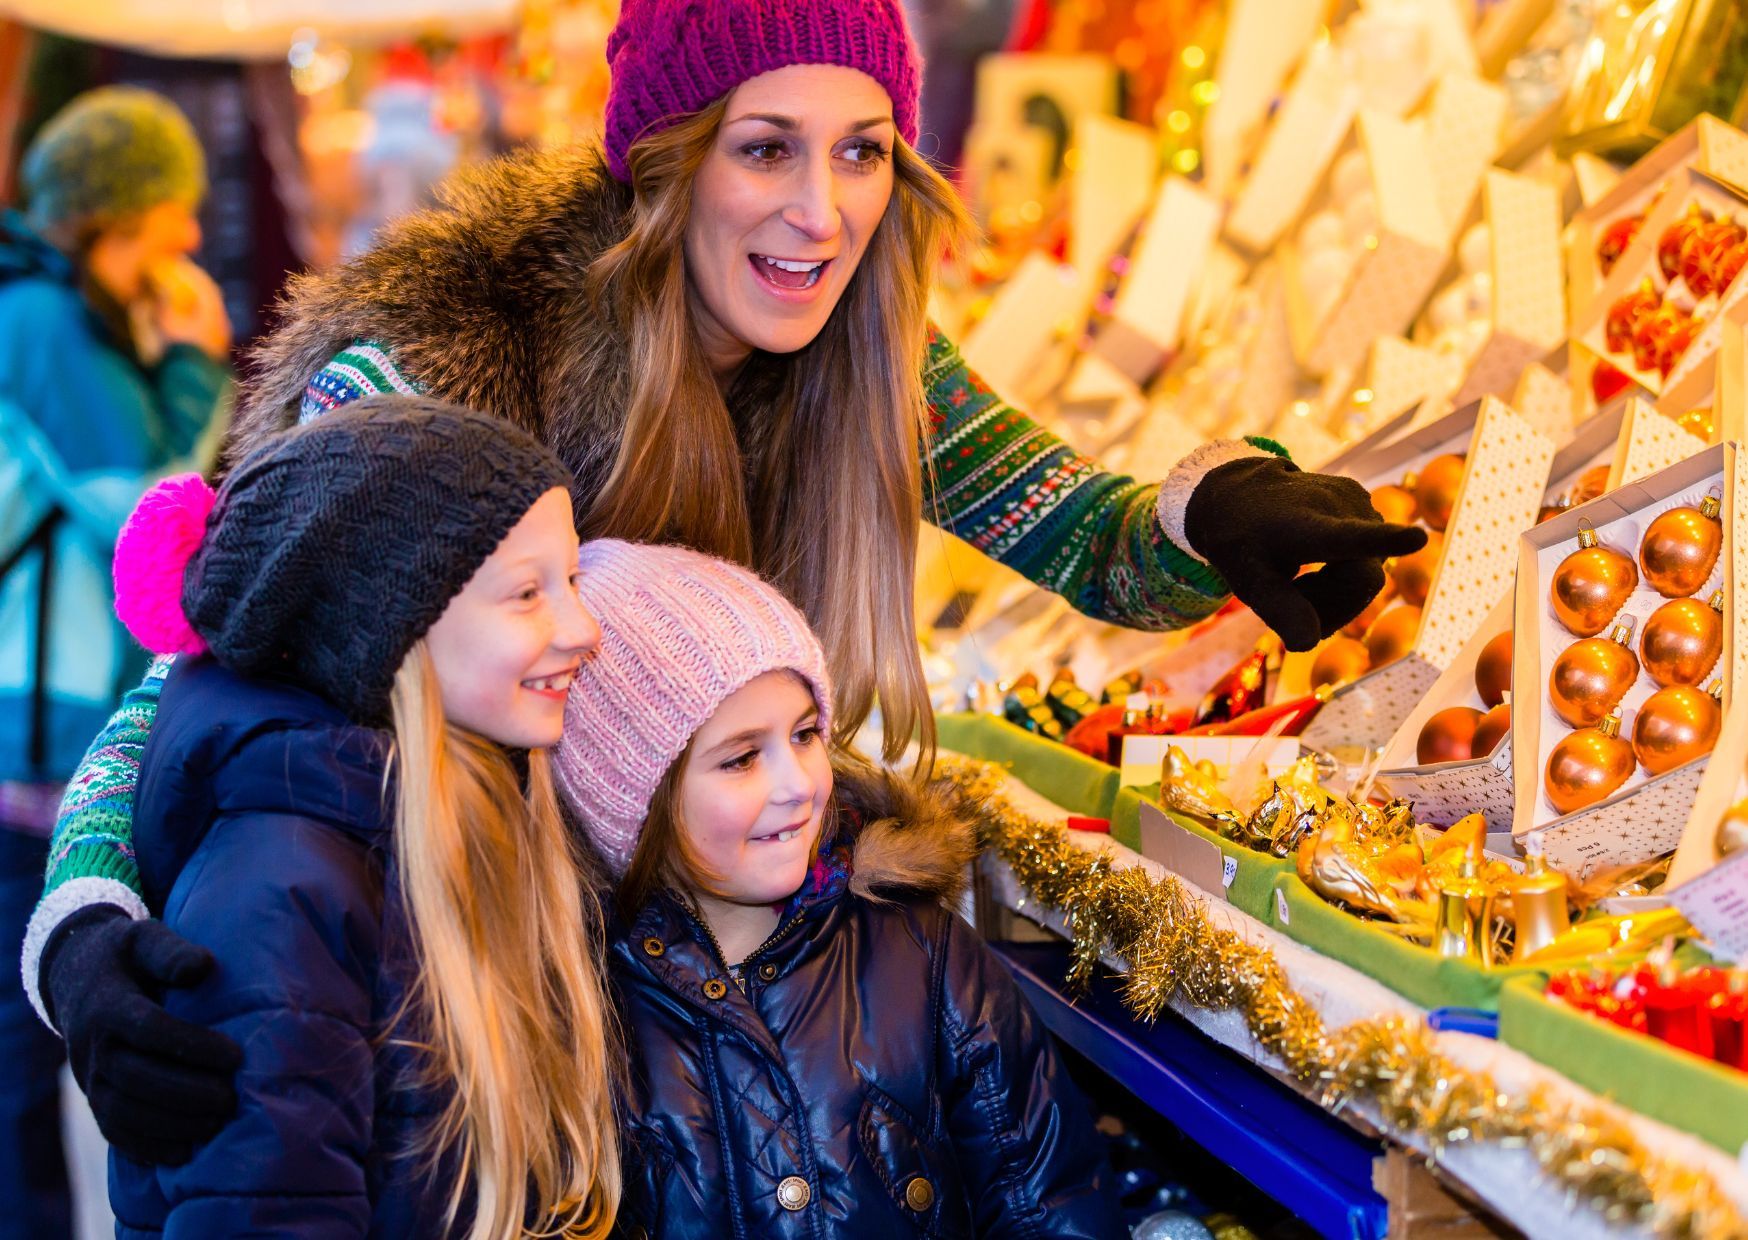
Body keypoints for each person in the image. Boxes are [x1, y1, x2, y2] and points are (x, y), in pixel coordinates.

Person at [27, 0, 1426, 1157]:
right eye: (766, 149)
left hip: (681, 1040)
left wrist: (1209, 513)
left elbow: (1079, 529)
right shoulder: (450, 357)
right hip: (447, 1031)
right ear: (667, 161)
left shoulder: (865, 354)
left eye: (863, 151)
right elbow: (194, 671)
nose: (822, 213)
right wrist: (83, 926)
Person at [102, 396, 620, 1236]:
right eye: (528, 593)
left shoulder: (455, 808)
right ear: (386, 624)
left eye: (573, 582)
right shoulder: (282, 895)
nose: (584, 628)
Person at [556, 539, 1124, 1238]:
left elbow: (1048, 1202)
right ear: (633, 801)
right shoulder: (584, 1010)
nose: (798, 785)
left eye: (804, 735)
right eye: (741, 758)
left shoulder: (922, 953)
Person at [0, 85, 231, 1233]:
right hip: (31, 732)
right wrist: (194, 362)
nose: (191, 232)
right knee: (17, 1050)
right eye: (172, 206)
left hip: (46, 717)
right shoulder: (43, 320)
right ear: (114, 213)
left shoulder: (71, 312)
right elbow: (139, 504)